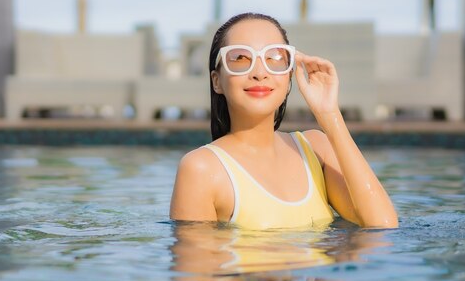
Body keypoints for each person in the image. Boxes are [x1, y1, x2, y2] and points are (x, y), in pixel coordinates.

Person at [170, 13, 398, 230]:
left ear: (289, 77)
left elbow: (382, 225)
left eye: (274, 58)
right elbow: (197, 268)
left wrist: (329, 114)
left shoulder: (315, 149)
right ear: (216, 81)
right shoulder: (202, 169)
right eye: (240, 58)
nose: (260, 72)